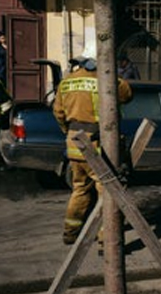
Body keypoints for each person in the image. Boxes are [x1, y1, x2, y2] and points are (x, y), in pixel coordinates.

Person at [53, 45, 133, 247]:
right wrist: (114, 73)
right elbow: (127, 94)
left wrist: (69, 132)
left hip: (75, 143)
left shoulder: (67, 81)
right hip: (98, 145)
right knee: (107, 192)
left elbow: (58, 113)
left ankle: (70, 232)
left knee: (80, 188)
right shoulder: (106, 80)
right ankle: (107, 238)